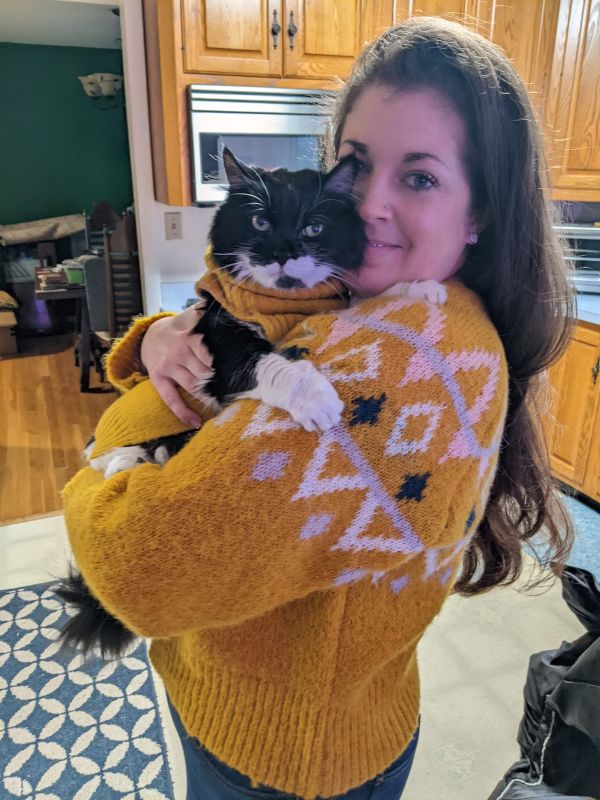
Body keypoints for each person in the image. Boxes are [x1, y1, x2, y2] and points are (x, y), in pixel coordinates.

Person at [62, 16, 575, 800]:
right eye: (357, 163)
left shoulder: (410, 358)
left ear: (482, 214)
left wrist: (90, 473)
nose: (367, 204)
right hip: (292, 707)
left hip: (280, 756)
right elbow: (229, 320)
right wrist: (156, 339)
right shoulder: (364, 301)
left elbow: (137, 569)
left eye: (420, 176)